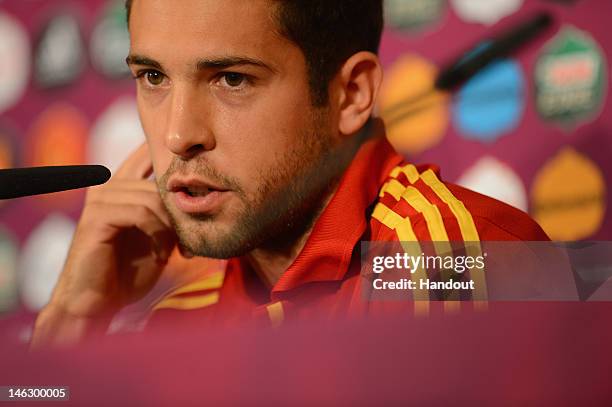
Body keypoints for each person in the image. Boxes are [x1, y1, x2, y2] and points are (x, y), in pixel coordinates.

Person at [32, 0, 548, 346]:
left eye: (231, 79)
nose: (176, 135)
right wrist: (74, 318)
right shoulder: (176, 320)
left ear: (351, 94)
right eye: (153, 76)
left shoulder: (460, 259)